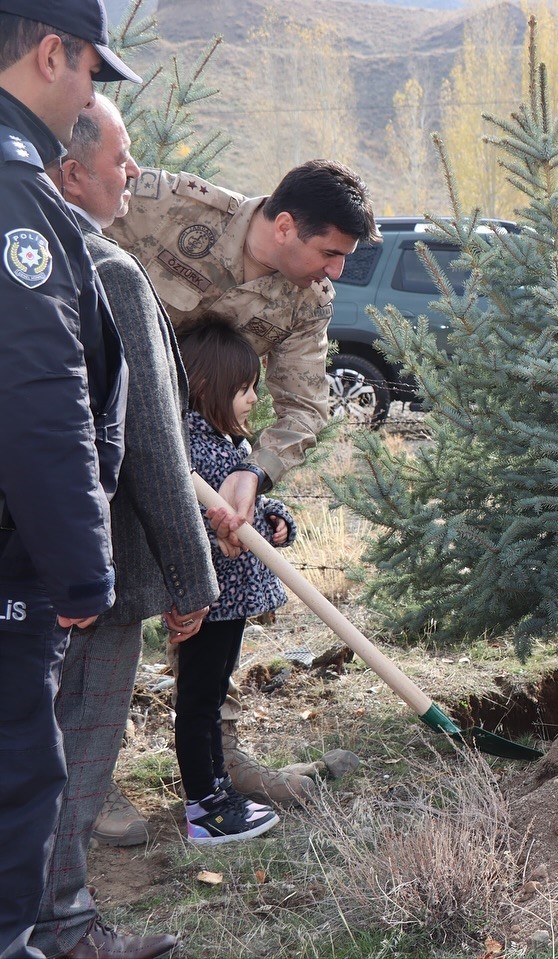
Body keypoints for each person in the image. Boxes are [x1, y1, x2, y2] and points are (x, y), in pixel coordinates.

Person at [108, 158, 378, 804]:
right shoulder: (162, 204)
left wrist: (251, 474)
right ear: (284, 226)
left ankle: (218, 759)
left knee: (218, 606)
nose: (337, 270)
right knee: (103, 605)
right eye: (330, 252)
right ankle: (88, 774)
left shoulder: (307, 300)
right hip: (99, 437)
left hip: (200, 463)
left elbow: (305, 408)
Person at [29, 94, 221, 959]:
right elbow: (151, 440)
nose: (133, 172)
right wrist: (191, 577)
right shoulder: (104, 270)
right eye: (121, 156)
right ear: (73, 172)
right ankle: (64, 925)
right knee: (75, 753)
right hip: (94, 570)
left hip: (22, 560)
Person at [0, 3, 140, 956]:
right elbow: (38, 397)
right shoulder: (17, 198)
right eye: (92, 71)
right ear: (53, 53)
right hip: (11, 570)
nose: (89, 93)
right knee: (14, 774)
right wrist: (84, 573)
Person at [175, 318, 294, 844]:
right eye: (244, 388)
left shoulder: (224, 443)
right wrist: (220, 528)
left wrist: (275, 517)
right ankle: (204, 805)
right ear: (205, 386)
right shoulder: (189, 449)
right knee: (198, 701)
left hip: (230, 602)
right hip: (210, 600)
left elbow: (244, 506)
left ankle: (217, 787)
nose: (253, 399)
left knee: (212, 693)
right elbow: (190, 516)